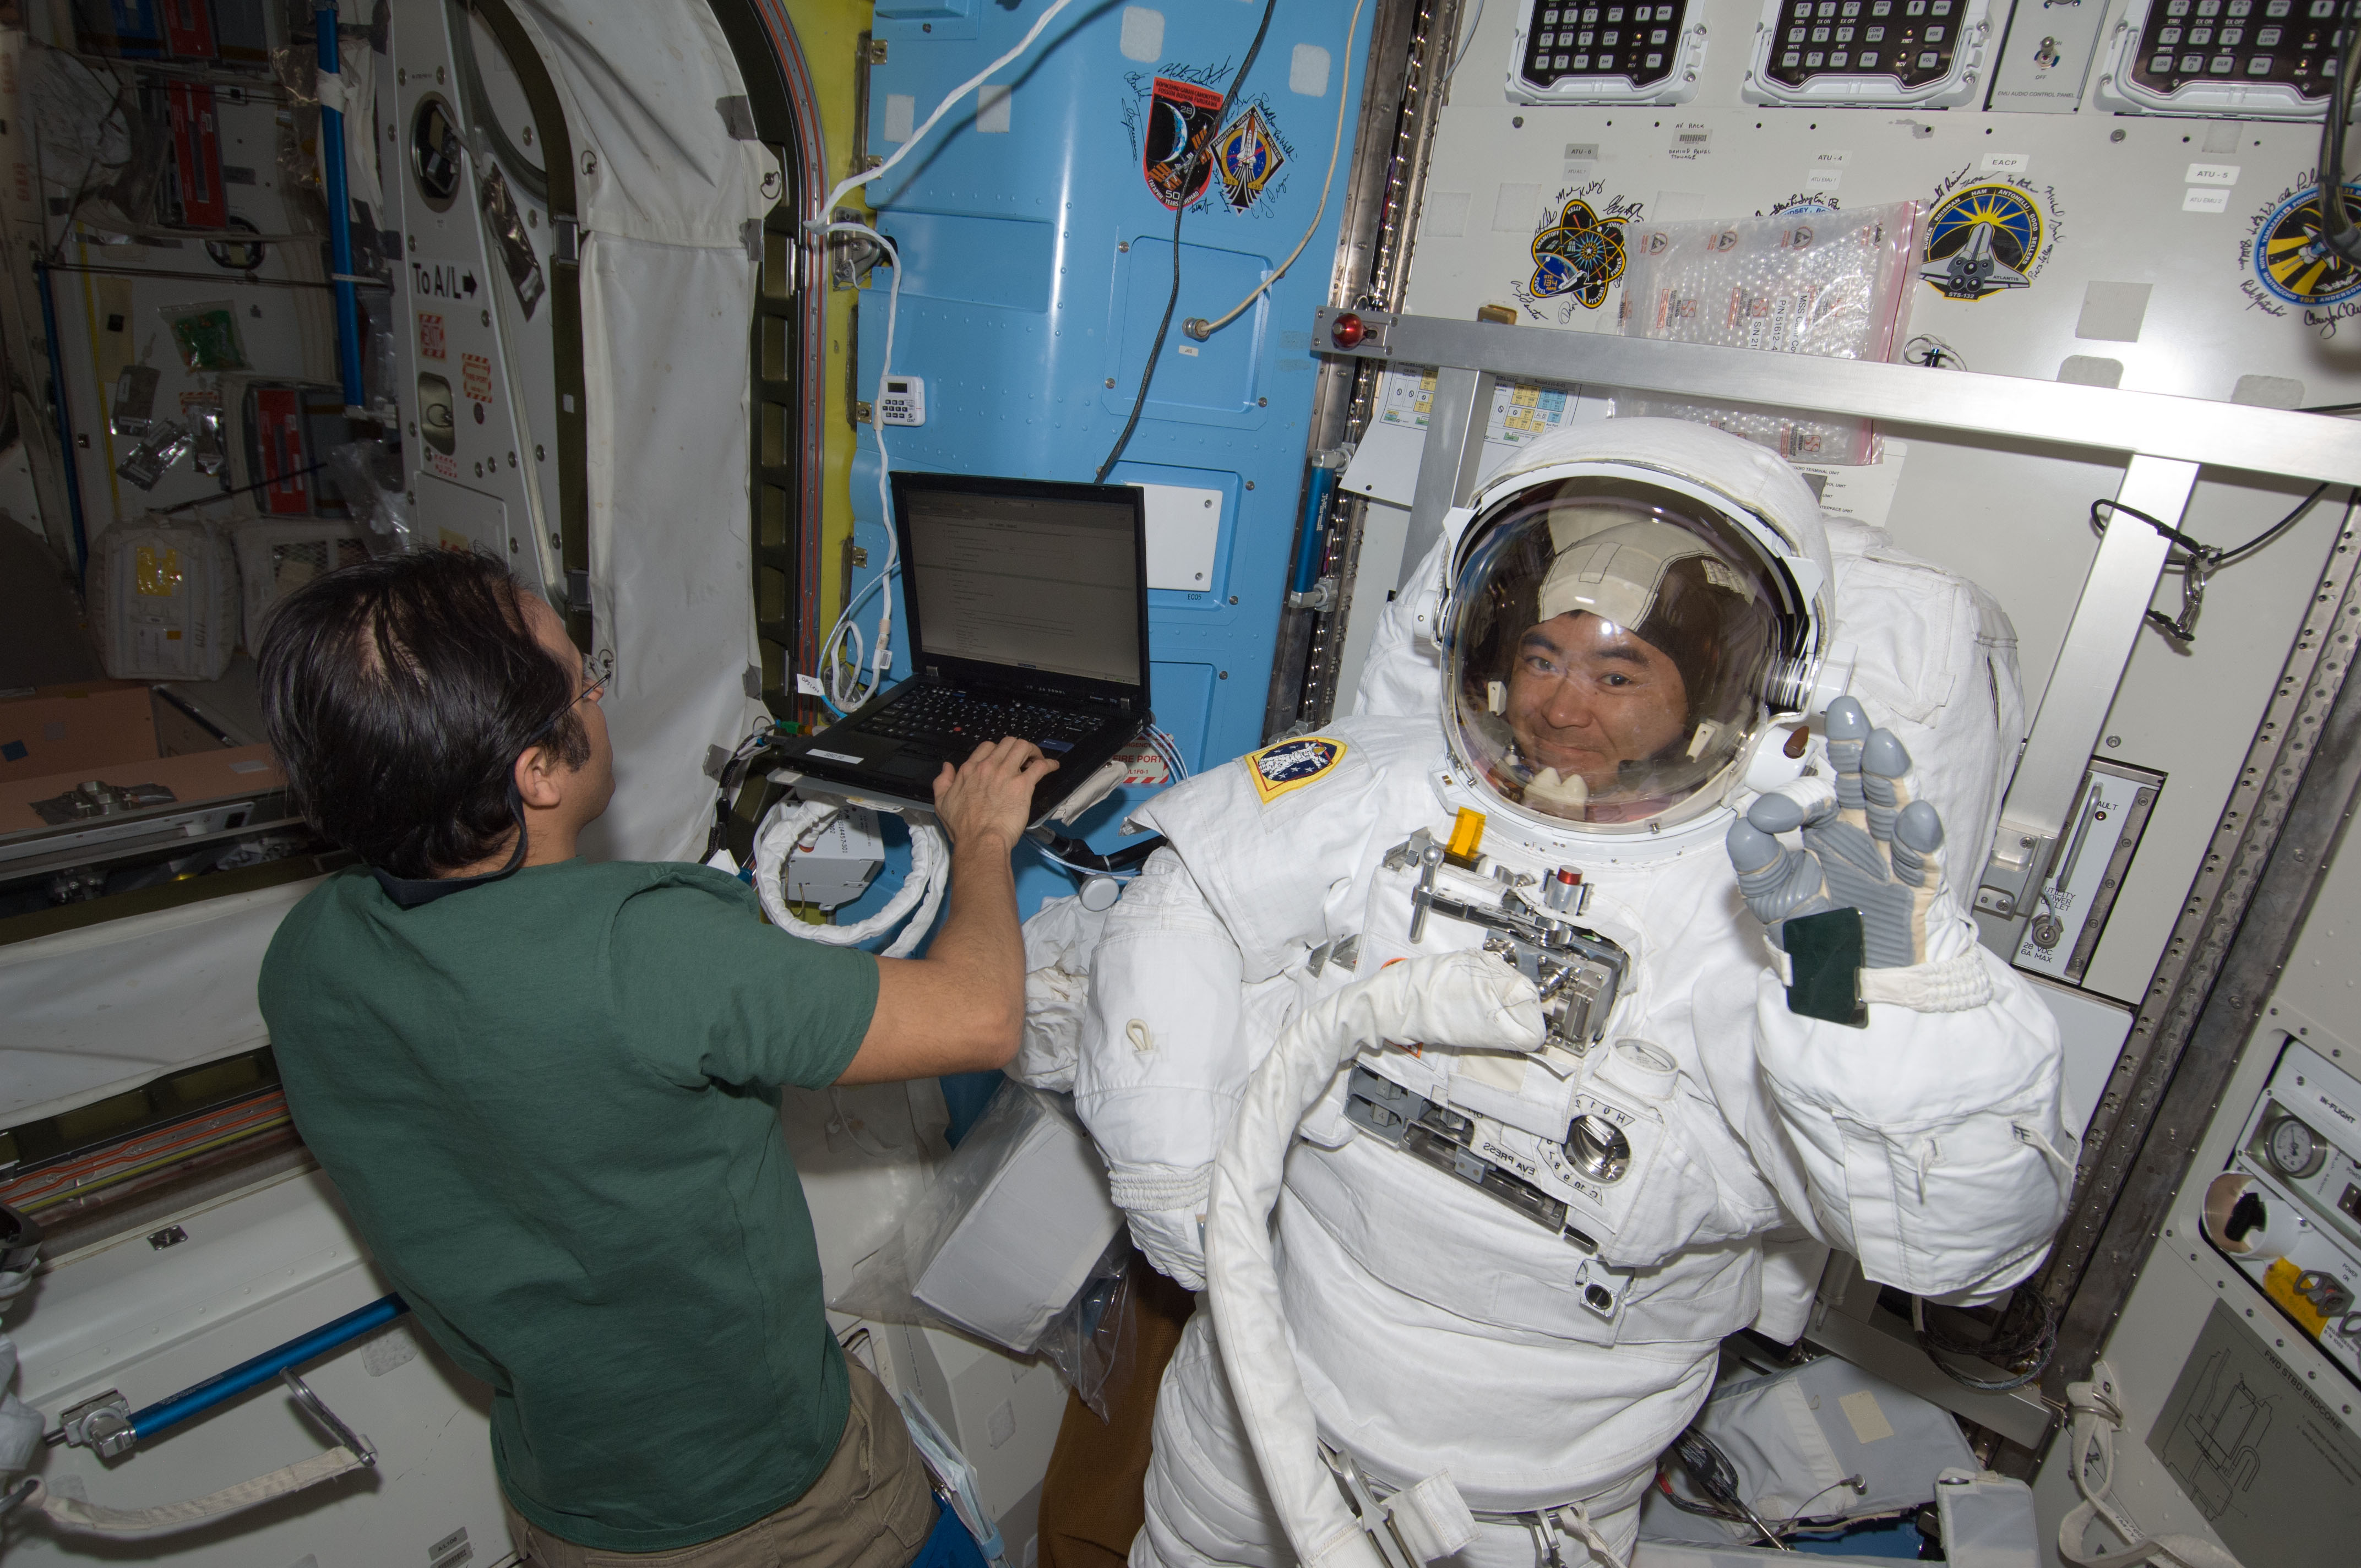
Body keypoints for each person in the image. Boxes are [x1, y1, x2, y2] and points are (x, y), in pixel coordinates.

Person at [1069, 418, 2072, 1567]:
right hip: (1259, 1394)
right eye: (1543, 657)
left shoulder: (1784, 901)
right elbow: (1182, 902)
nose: (1559, 705)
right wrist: (1169, 1176)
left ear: (1723, 693)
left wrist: (1884, 986)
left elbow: (1956, 1244)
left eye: (1615, 671)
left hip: (1519, 1493)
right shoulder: (1399, 781)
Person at [254, 548, 1057, 1567]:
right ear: (536, 770)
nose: (597, 694)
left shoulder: (311, 951)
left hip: (570, 1497)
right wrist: (982, 838)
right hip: (777, 1504)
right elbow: (982, 1017)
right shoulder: (649, 949)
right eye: (582, 677)